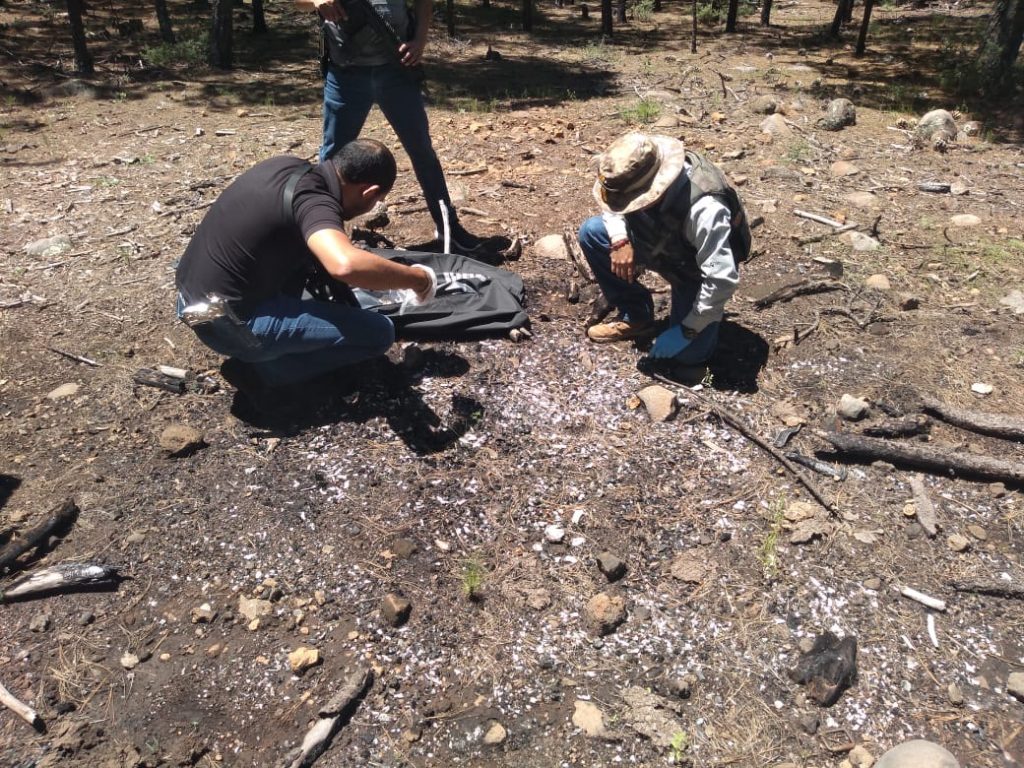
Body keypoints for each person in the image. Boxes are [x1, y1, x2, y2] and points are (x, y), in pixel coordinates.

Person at [175, 139, 436, 407]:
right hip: (228, 326)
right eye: (377, 201)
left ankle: (266, 349)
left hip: (190, 299)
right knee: (379, 333)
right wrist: (418, 279)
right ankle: (260, 373)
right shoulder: (314, 202)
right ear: (369, 192)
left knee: (310, 272)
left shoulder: (286, 166)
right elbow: (345, 265)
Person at [296, 0, 488, 255]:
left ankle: (449, 229)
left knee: (422, 153)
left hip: (397, 70)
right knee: (331, 159)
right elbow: (296, 3)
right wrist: (317, 1)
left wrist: (420, 41)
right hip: (345, 74)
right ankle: (323, 240)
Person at [579, 132, 742, 377]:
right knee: (592, 233)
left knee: (687, 355)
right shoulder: (633, 165)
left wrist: (687, 330)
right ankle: (636, 314)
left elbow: (721, 280)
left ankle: (690, 322)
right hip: (657, 240)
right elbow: (613, 206)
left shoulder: (705, 209)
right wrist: (620, 241)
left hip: (692, 269)